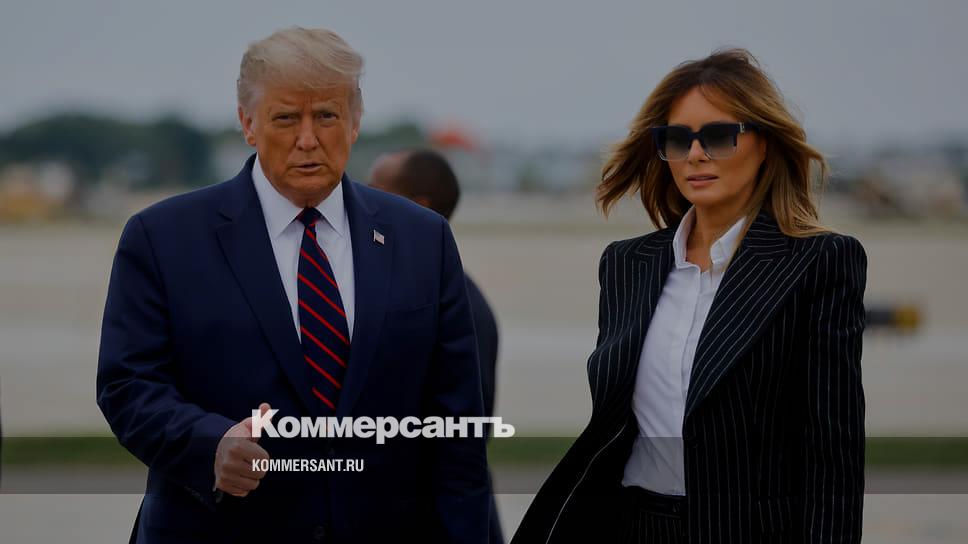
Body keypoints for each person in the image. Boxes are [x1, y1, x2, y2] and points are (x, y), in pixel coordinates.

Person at [96, 27, 488, 543]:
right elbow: (127, 385)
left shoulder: (423, 239)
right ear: (248, 123)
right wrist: (209, 444)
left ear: (355, 121)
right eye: (285, 118)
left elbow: (457, 425)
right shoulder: (162, 238)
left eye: (326, 116)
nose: (308, 139)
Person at [513, 49, 867, 544]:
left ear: (764, 143)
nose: (696, 154)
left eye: (718, 136)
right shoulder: (626, 264)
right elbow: (615, 425)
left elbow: (833, 451)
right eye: (677, 139)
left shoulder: (819, 262)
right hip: (633, 527)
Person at [370, 149, 503, 544]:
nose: (358, 201)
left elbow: (460, 440)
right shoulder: (393, 291)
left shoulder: (457, 306)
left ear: (418, 208)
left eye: (375, 191)